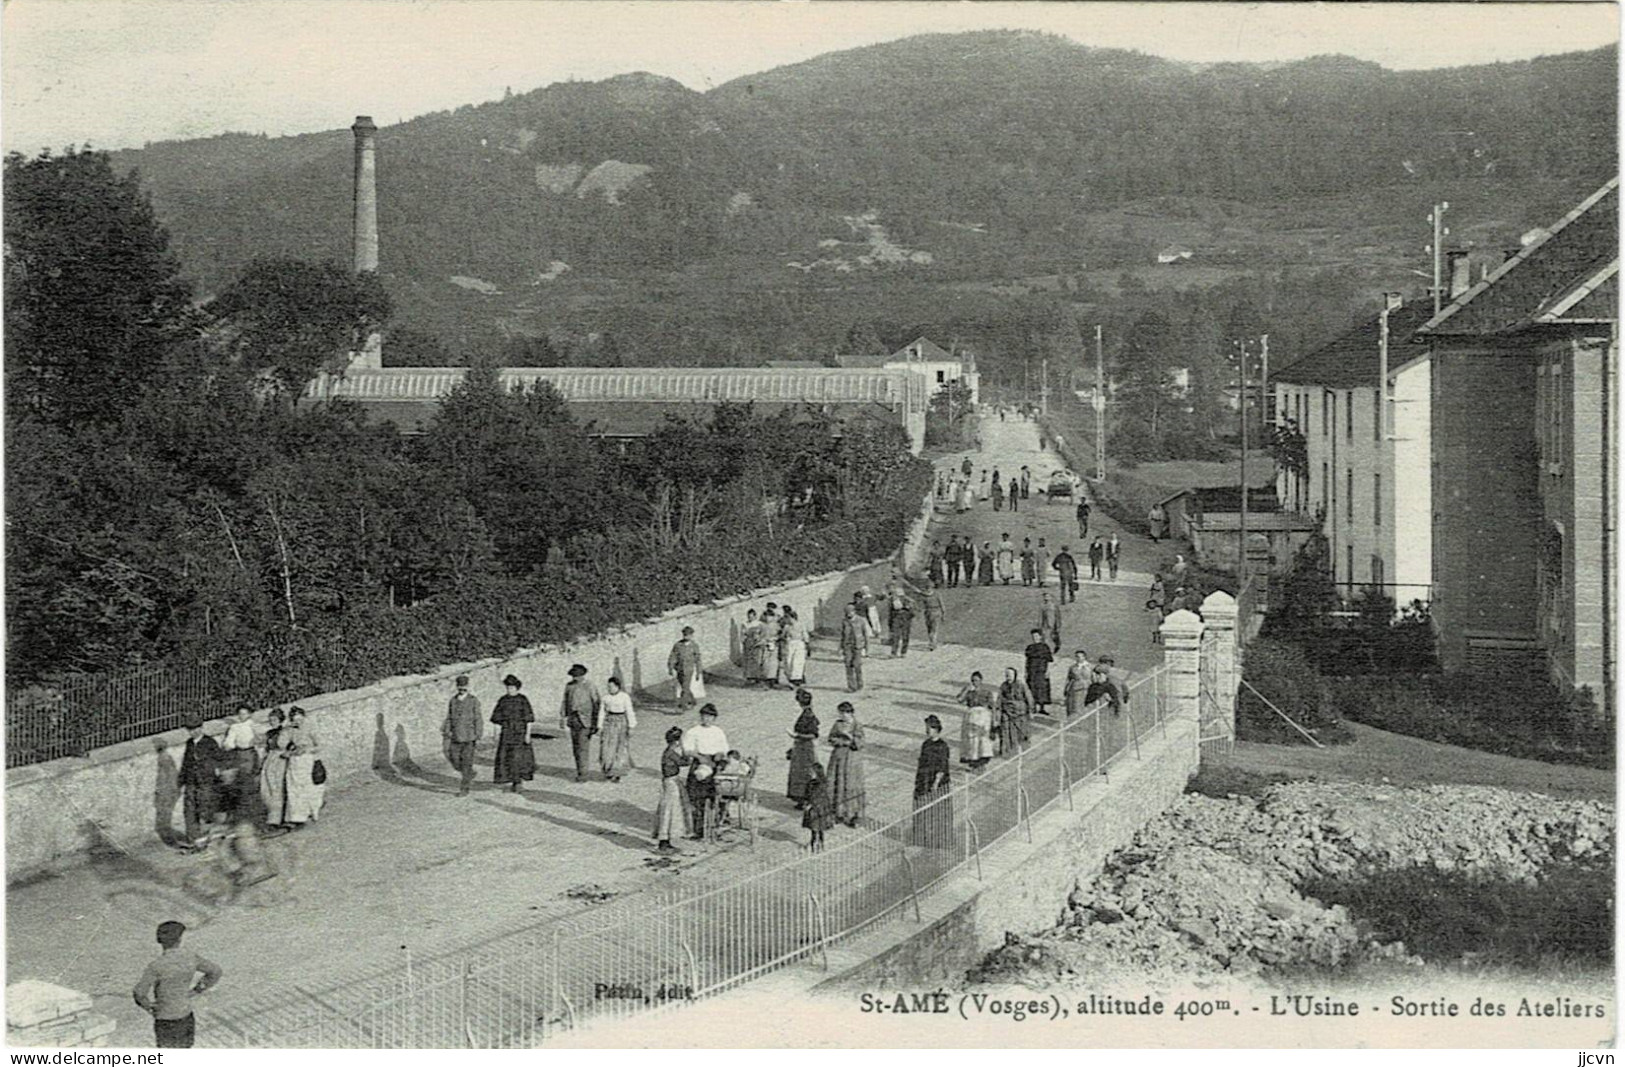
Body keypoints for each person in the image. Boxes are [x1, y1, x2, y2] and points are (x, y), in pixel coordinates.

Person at [132, 921, 222, 1048]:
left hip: (165, 1019)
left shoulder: (156, 966)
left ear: (160, 941)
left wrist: (150, 1007)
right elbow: (215, 971)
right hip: (186, 1015)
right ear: (179, 939)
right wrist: (197, 990)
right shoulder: (190, 957)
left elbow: (139, 993)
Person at [682, 704, 729, 839]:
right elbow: (687, 750)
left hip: (715, 764)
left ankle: (716, 824)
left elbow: (724, 748)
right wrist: (699, 757)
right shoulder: (693, 731)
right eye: (705, 716)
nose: (707, 719)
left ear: (714, 718)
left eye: (710, 717)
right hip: (700, 763)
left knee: (717, 794)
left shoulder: (718, 731)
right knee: (697, 796)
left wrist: (719, 755)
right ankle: (698, 828)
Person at [179, 717, 222, 849]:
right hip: (191, 781)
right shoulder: (189, 744)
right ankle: (193, 840)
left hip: (206, 781)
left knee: (204, 810)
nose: (193, 732)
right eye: (190, 730)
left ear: (201, 728)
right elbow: (186, 763)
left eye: (196, 729)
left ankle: (203, 840)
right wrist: (181, 781)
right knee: (189, 810)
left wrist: (215, 776)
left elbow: (219, 760)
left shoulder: (210, 742)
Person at [911, 716, 953, 848]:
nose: (928, 730)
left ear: (937, 729)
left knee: (937, 811)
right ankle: (922, 837)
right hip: (924, 780)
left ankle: (939, 839)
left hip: (937, 783)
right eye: (927, 727)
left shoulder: (943, 746)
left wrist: (935, 784)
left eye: (930, 728)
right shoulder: (926, 744)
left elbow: (942, 767)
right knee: (922, 808)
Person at [280, 707, 324, 828]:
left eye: (300, 719)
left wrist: (306, 750)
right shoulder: (290, 729)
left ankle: (311, 811)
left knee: (306, 787)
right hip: (294, 761)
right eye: (295, 720)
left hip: (307, 760)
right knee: (293, 788)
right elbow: (281, 743)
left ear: (304, 717)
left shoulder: (310, 728)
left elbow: (319, 746)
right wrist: (286, 728)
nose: (298, 722)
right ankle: (296, 816)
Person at [492, 674, 537, 793]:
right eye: (508, 688)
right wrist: (496, 734)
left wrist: (528, 734)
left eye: (512, 688)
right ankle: (511, 781)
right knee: (506, 758)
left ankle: (518, 783)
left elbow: (529, 719)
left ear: (517, 688)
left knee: (518, 758)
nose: (509, 690)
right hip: (506, 733)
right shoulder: (503, 700)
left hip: (520, 733)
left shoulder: (523, 700)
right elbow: (497, 718)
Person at [558, 664, 601, 783]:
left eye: (577, 676)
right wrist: (562, 717)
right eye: (573, 676)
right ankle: (579, 771)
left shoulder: (590, 686)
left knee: (583, 747)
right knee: (576, 748)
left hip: (586, 721)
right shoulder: (569, 686)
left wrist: (596, 722)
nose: (574, 678)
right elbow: (565, 701)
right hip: (573, 720)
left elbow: (597, 704)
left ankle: (583, 774)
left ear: (583, 675)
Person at [826, 702, 866, 826]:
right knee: (836, 783)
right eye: (841, 713)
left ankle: (853, 815)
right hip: (838, 757)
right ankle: (838, 813)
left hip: (852, 759)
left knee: (851, 785)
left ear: (850, 713)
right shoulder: (837, 724)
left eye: (845, 713)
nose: (843, 716)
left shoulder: (857, 725)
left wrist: (850, 739)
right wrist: (840, 741)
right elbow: (831, 738)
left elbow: (860, 742)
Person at [443, 675, 483, 797]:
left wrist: (478, 733)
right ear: (457, 688)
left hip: (469, 737)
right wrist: (447, 730)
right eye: (460, 689)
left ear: (468, 688)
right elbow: (449, 717)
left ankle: (464, 788)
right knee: (453, 758)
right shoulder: (453, 701)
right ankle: (469, 773)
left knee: (466, 762)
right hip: (455, 736)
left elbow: (478, 718)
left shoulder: (473, 701)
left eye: (464, 689)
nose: (462, 691)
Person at [654, 726, 688, 852]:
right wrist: (685, 749)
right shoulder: (671, 753)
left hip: (669, 782)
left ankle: (665, 840)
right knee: (670, 810)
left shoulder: (667, 752)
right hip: (671, 783)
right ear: (677, 741)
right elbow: (685, 762)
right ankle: (664, 841)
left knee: (668, 810)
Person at [786, 688, 820, 807]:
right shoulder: (806, 713)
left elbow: (813, 734)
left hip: (805, 747)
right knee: (800, 772)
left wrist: (796, 735)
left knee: (804, 773)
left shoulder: (808, 715)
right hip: (800, 747)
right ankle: (802, 799)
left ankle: (805, 799)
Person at [598, 676, 636, 782]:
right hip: (609, 723)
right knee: (607, 746)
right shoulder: (605, 698)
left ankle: (617, 771)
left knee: (620, 747)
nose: (609, 689)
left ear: (617, 686)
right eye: (608, 686)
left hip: (621, 722)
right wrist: (599, 726)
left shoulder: (624, 697)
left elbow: (629, 711)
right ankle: (608, 769)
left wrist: (631, 726)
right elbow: (601, 712)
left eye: (612, 686)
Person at [258, 709, 290, 829]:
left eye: (275, 720)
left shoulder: (286, 732)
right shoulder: (269, 733)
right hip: (270, 759)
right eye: (270, 720)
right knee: (266, 788)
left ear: (281, 720)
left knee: (277, 788)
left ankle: (276, 819)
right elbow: (266, 748)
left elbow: (291, 746)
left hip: (281, 759)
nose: (272, 722)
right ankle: (271, 814)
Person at [957, 672, 997, 768]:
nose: (975, 682)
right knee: (971, 738)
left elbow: (993, 707)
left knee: (983, 738)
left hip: (983, 715)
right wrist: (966, 690)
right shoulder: (969, 692)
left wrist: (994, 720)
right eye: (973, 680)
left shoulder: (986, 692)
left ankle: (982, 758)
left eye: (977, 680)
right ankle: (972, 757)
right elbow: (959, 700)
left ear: (981, 681)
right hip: (971, 715)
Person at [998, 667, 1033, 754]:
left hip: (1020, 712)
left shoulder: (1021, 685)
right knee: (1006, 731)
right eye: (1006, 675)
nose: (1008, 677)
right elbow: (1000, 699)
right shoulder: (1003, 686)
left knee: (1022, 732)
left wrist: (1031, 711)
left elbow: (1029, 698)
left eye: (1010, 675)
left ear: (1015, 676)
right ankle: (1008, 750)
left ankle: (1025, 750)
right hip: (1008, 711)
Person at [667, 626, 703, 711]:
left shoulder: (694, 646)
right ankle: (692, 700)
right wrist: (670, 667)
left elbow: (698, 659)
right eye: (685, 635)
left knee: (685, 687)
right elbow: (673, 656)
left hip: (689, 670)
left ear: (692, 635)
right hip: (679, 669)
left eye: (688, 635)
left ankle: (683, 705)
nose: (686, 637)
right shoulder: (678, 645)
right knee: (684, 686)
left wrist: (698, 671)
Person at [802, 762, 834, 852]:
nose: (809, 773)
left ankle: (816, 844)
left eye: (811, 771)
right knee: (817, 828)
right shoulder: (812, 783)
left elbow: (817, 797)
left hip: (817, 809)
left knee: (816, 828)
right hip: (818, 807)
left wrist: (810, 805)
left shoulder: (819, 784)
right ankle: (818, 844)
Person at [1024, 629, 1055, 715]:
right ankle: (1032, 707)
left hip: (1041, 670)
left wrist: (1048, 671)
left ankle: (1042, 708)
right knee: (1032, 687)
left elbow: (1049, 660)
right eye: (1033, 636)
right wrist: (1026, 672)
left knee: (1042, 689)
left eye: (1036, 636)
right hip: (1032, 670)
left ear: (1040, 637)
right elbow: (1027, 660)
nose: (1035, 638)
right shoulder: (1030, 647)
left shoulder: (1045, 647)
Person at [840, 604, 868, 692]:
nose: (848, 614)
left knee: (857, 666)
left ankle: (860, 683)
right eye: (847, 613)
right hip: (847, 646)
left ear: (854, 612)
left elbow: (865, 635)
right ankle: (851, 686)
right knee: (848, 666)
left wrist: (866, 648)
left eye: (850, 612)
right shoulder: (844, 621)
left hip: (858, 646)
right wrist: (841, 648)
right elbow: (842, 635)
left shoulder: (861, 620)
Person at [780, 607, 809, 687]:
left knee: (798, 662)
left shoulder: (801, 625)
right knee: (789, 662)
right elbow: (782, 636)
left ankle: (797, 680)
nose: (788, 620)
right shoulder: (787, 627)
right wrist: (785, 639)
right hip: (790, 645)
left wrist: (807, 645)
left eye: (789, 618)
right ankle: (790, 679)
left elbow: (805, 636)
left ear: (793, 618)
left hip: (799, 644)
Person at [1064, 649, 1094, 718]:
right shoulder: (1072, 667)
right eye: (1077, 657)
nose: (1078, 658)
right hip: (1075, 689)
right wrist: (1066, 689)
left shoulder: (1089, 667)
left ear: (1084, 657)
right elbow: (1068, 679)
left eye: (1080, 656)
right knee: (1074, 707)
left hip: (1086, 689)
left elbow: (1093, 679)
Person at [917, 578, 945, 651]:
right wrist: (943, 613)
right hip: (935, 611)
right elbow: (941, 604)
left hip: (929, 612)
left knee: (930, 628)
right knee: (934, 628)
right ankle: (933, 642)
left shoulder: (924, 595)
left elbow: (921, 606)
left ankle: (932, 642)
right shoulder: (937, 594)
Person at [759, 604, 782, 687]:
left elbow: (780, 634)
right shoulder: (761, 625)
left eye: (770, 616)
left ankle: (774, 679)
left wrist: (775, 639)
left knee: (774, 662)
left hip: (774, 644)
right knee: (765, 662)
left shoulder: (776, 625)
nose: (768, 618)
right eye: (767, 616)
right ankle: (766, 678)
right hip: (765, 644)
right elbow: (759, 634)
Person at [740, 608, 764, 686]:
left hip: (756, 643)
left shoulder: (759, 624)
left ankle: (757, 677)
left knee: (756, 659)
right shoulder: (745, 624)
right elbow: (743, 634)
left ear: (755, 616)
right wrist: (743, 640)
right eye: (748, 616)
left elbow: (762, 634)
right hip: (748, 643)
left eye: (751, 616)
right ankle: (749, 677)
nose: (750, 618)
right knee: (748, 659)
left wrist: (759, 640)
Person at [887, 589, 914, 657]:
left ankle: (903, 652)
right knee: (896, 636)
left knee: (905, 636)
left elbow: (912, 612)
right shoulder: (892, 601)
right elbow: (890, 612)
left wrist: (908, 616)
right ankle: (894, 652)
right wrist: (890, 621)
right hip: (896, 619)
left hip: (905, 619)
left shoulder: (908, 600)